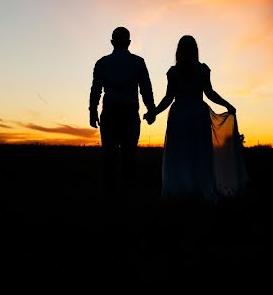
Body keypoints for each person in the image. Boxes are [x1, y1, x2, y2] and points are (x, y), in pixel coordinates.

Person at [143, 35, 247, 203]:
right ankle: (197, 190)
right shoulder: (201, 70)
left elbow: (168, 98)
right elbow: (210, 94)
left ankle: (181, 190)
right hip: (197, 114)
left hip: (180, 116)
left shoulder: (175, 72)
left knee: (180, 154)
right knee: (199, 153)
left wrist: (154, 112)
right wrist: (227, 105)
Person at [89, 27, 156, 197]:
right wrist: (151, 109)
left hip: (110, 113)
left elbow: (96, 90)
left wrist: (92, 111)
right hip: (129, 114)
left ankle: (110, 195)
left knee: (109, 156)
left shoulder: (102, 63)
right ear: (129, 42)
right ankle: (129, 195)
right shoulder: (138, 62)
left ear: (112, 42)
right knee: (129, 156)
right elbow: (146, 89)